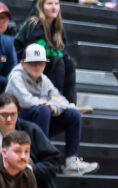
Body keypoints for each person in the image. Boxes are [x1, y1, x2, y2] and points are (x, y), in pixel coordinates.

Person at [6, 44, 97, 175]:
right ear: (23, 63)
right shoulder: (16, 76)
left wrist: (53, 106)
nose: (37, 67)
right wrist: (49, 104)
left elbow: (62, 101)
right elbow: (26, 101)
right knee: (44, 110)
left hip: (40, 120)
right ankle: (40, 157)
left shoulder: (44, 80)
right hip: (17, 123)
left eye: (40, 63)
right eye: (32, 63)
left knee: (73, 114)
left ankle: (71, 162)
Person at [15, 0, 82, 106]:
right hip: (27, 63)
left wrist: (64, 57)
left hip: (46, 63)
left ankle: (70, 104)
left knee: (69, 63)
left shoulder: (58, 27)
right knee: (57, 61)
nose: (54, 7)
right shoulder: (34, 23)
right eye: (49, 4)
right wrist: (58, 55)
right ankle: (56, 101)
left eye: (56, 4)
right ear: (41, 7)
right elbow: (36, 52)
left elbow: (63, 51)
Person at [0, 94, 61, 188]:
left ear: (18, 113)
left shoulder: (31, 130)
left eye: (13, 114)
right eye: (4, 115)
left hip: (33, 186)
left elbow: (52, 162)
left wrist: (30, 170)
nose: (9, 119)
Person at [0, 4, 17, 88]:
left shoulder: (8, 42)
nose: (3, 21)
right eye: (0, 17)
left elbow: (12, 71)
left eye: (5, 18)